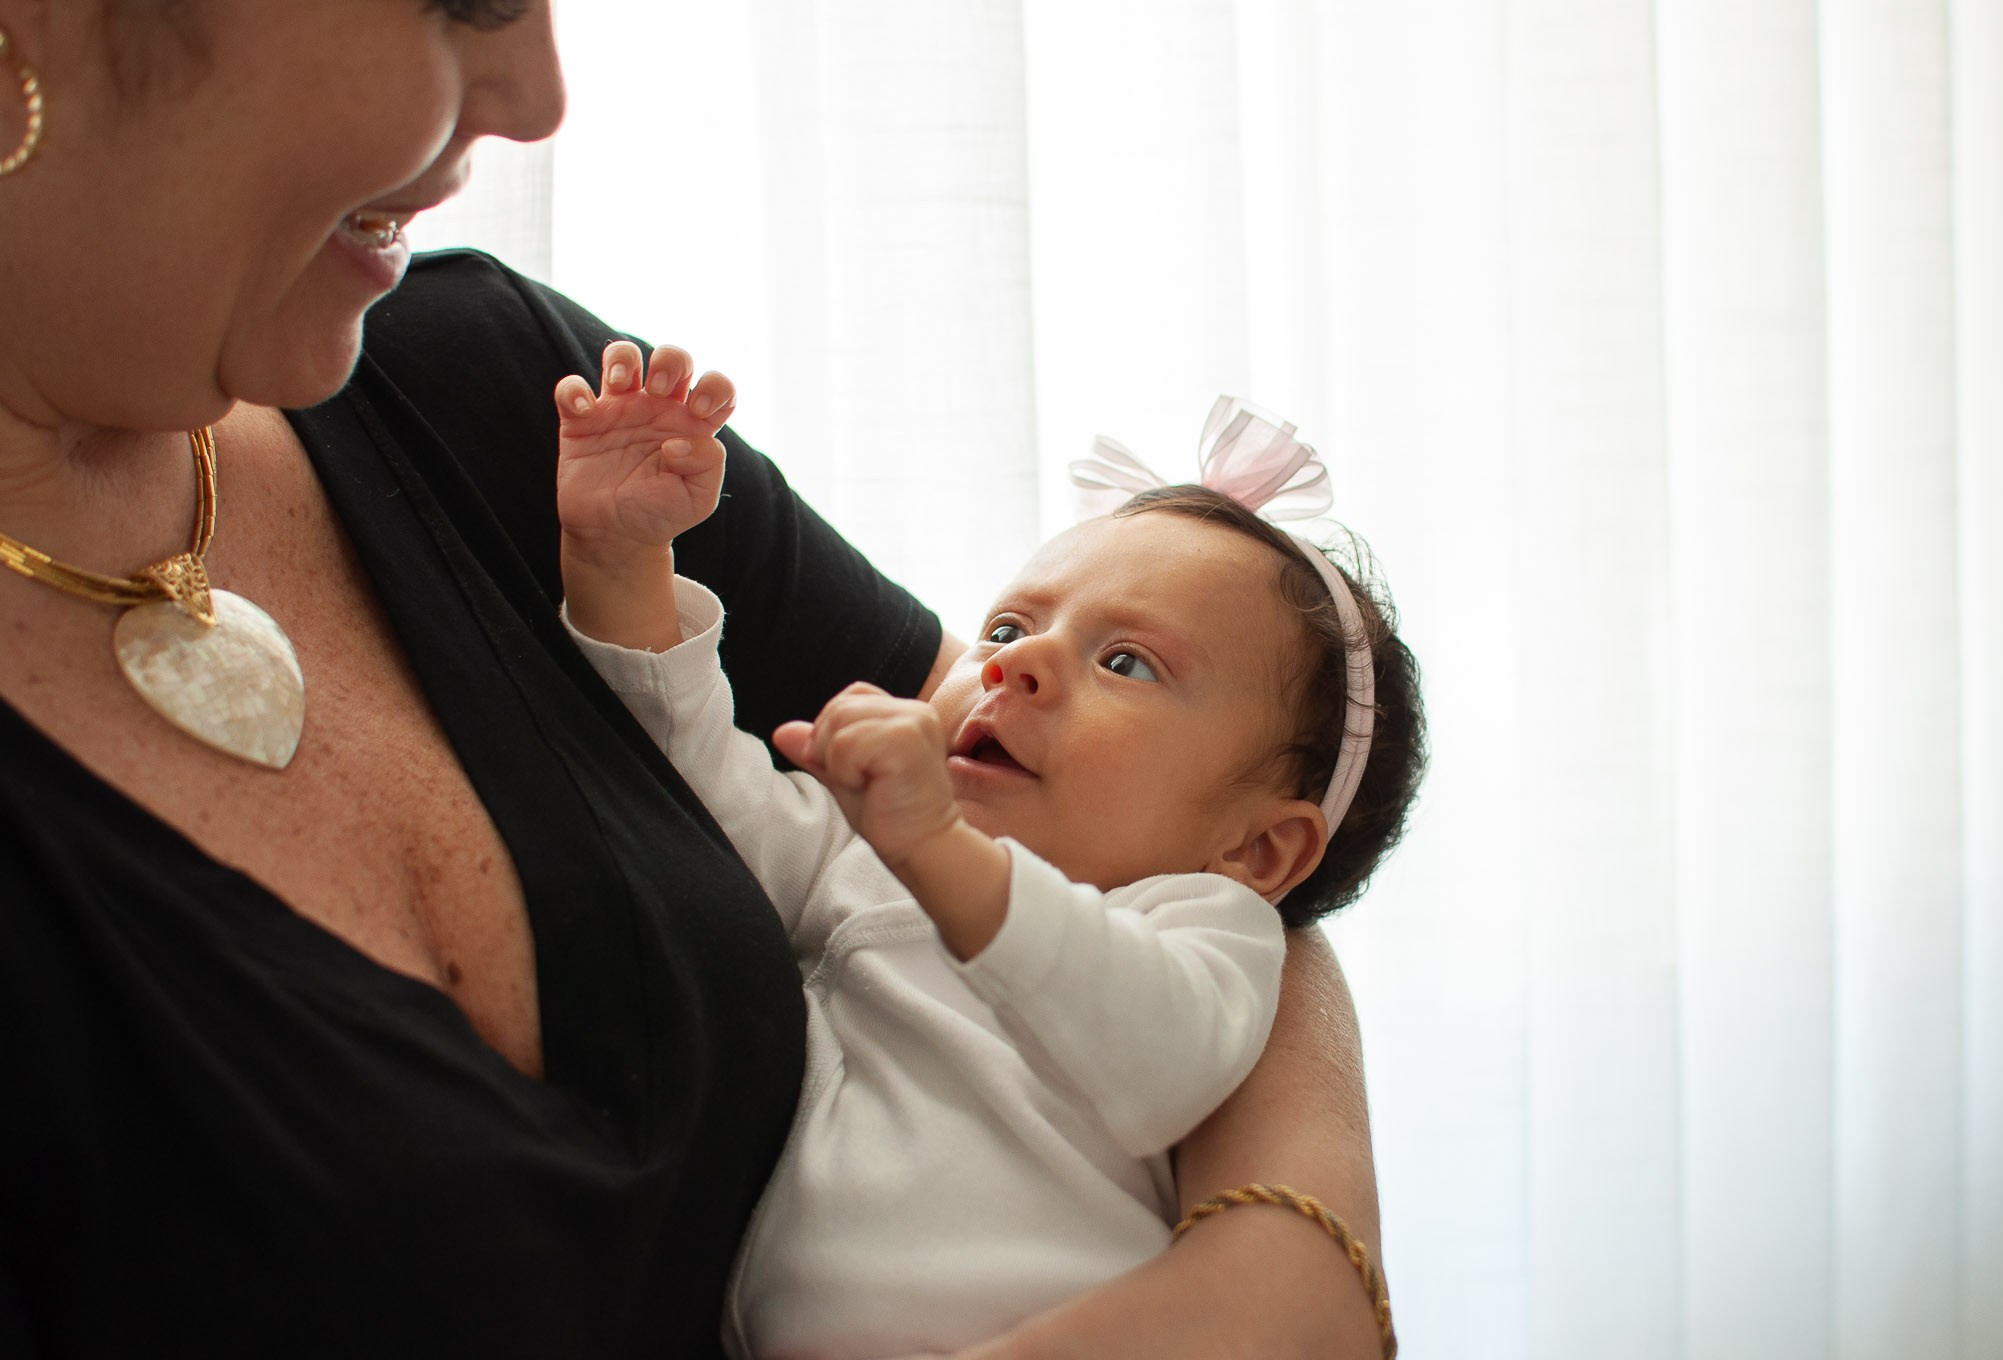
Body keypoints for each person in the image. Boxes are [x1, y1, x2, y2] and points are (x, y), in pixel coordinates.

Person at [0, 4, 1398, 1356]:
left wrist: (1291, 1255)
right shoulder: (882, 856)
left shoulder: (491, 391)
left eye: (1127, 660)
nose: (539, 98)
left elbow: (1206, 880)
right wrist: (629, 600)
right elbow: (713, 765)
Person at [551, 349, 1427, 1360]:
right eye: (1008, 624)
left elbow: (1161, 1057)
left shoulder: (1196, 924)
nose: (1018, 661)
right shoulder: (859, 853)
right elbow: (679, 791)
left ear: (1256, 846)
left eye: (1126, 661)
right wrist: (619, 566)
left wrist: (937, 852)